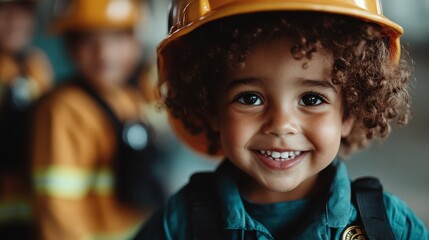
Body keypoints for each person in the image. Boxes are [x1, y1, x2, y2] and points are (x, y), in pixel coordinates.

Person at [134, 0, 429, 239]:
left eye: (311, 99)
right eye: (250, 98)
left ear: (349, 112)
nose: (280, 124)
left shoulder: (389, 225)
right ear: (212, 110)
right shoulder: (179, 223)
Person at [31, 0, 164, 239]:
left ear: (136, 41)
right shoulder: (64, 109)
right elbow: (59, 212)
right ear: (71, 47)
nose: (104, 53)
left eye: (117, 37)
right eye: (88, 40)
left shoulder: (129, 97)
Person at [0, 0, 52, 237]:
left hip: (29, 210)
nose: (14, 22)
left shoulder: (35, 65)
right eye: (3, 10)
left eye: (23, 12)